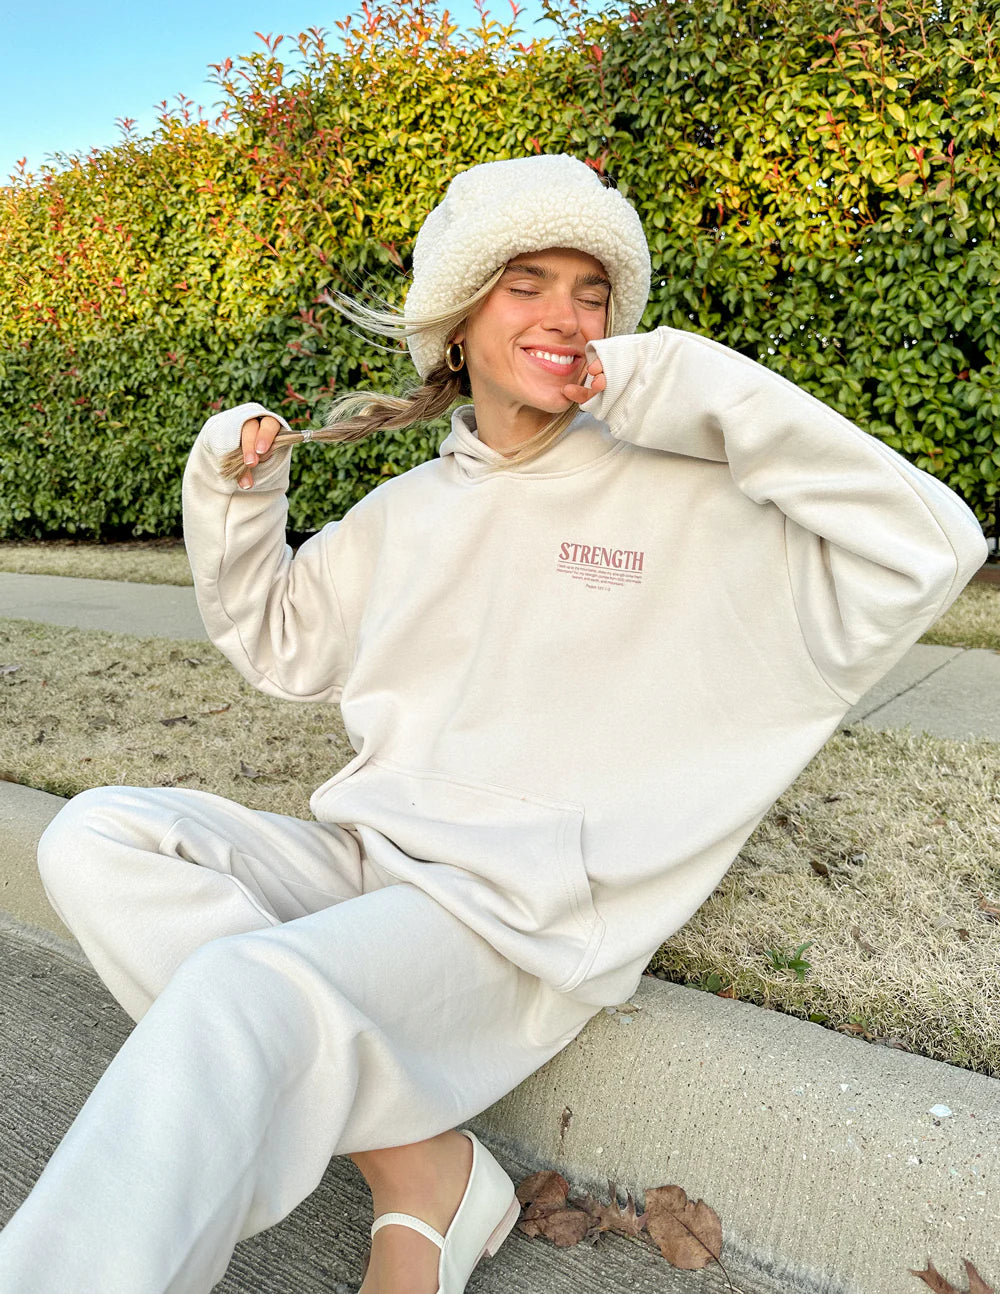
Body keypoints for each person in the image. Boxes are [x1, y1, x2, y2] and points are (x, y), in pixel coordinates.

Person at [0, 153, 987, 1294]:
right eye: (527, 284)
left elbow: (932, 547)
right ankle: (419, 1164)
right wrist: (235, 495)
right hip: (374, 865)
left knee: (243, 990)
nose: (566, 316)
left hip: (516, 920)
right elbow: (280, 642)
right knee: (97, 836)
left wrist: (683, 381)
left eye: (591, 292)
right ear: (459, 322)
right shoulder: (405, 511)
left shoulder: (691, 495)